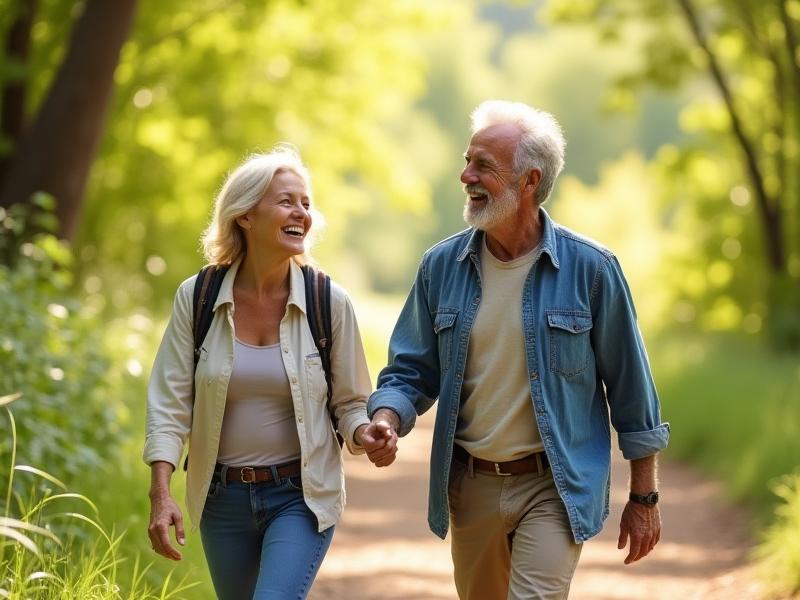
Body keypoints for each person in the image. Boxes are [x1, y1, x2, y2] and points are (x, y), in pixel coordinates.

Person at [367, 100, 670, 599]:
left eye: (483, 165)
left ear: (529, 181)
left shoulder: (592, 269)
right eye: (467, 161)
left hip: (553, 483)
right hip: (472, 484)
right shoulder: (440, 267)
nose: (466, 175)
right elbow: (410, 371)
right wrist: (387, 416)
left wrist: (645, 495)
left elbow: (631, 387)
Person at [143, 146, 393, 600]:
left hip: (300, 497)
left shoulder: (327, 301)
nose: (301, 212)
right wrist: (161, 493)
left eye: (306, 203)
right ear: (245, 215)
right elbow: (169, 404)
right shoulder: (197, 298)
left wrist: (365, 433)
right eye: (286, 201)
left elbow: (351, 404)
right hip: (222, 500)